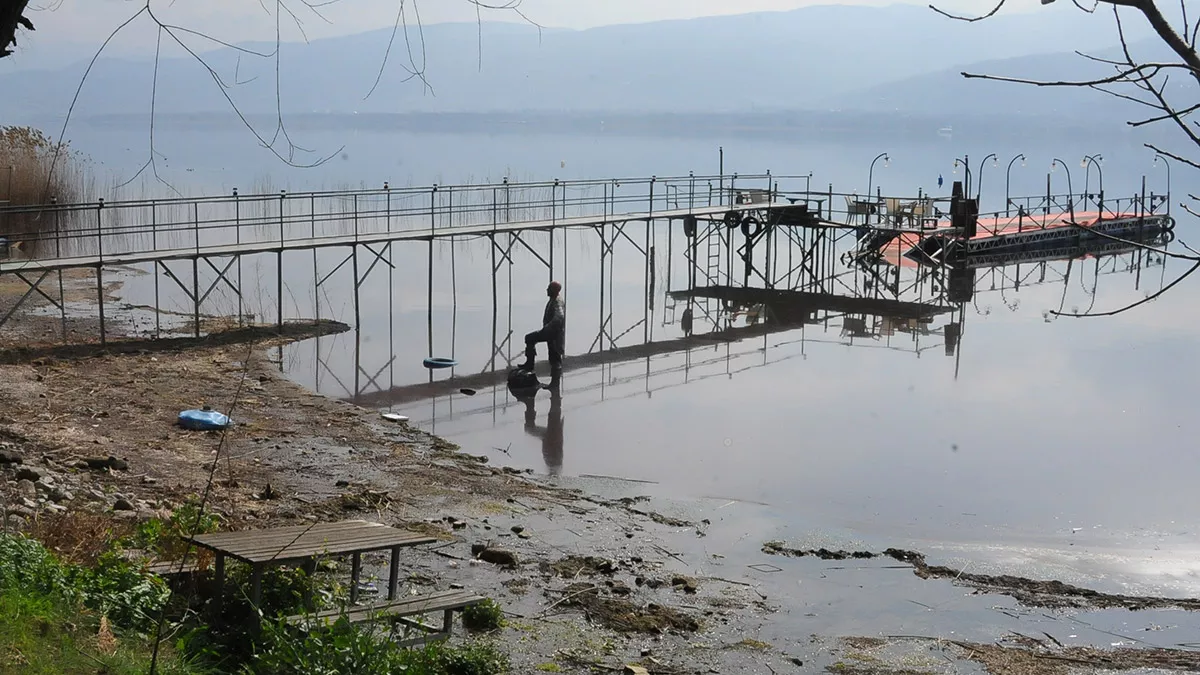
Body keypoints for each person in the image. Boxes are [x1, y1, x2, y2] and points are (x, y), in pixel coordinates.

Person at [519, 281, 565, 382]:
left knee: (530, 338)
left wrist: (548, 326)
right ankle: (555, 387)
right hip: (554, 333)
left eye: (549, 288)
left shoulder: (557, 301)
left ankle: (530, 365)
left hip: (552, 333)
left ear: (554, 290)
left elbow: (559, 316)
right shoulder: (555, 299)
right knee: (554, 356)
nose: (547, 290)